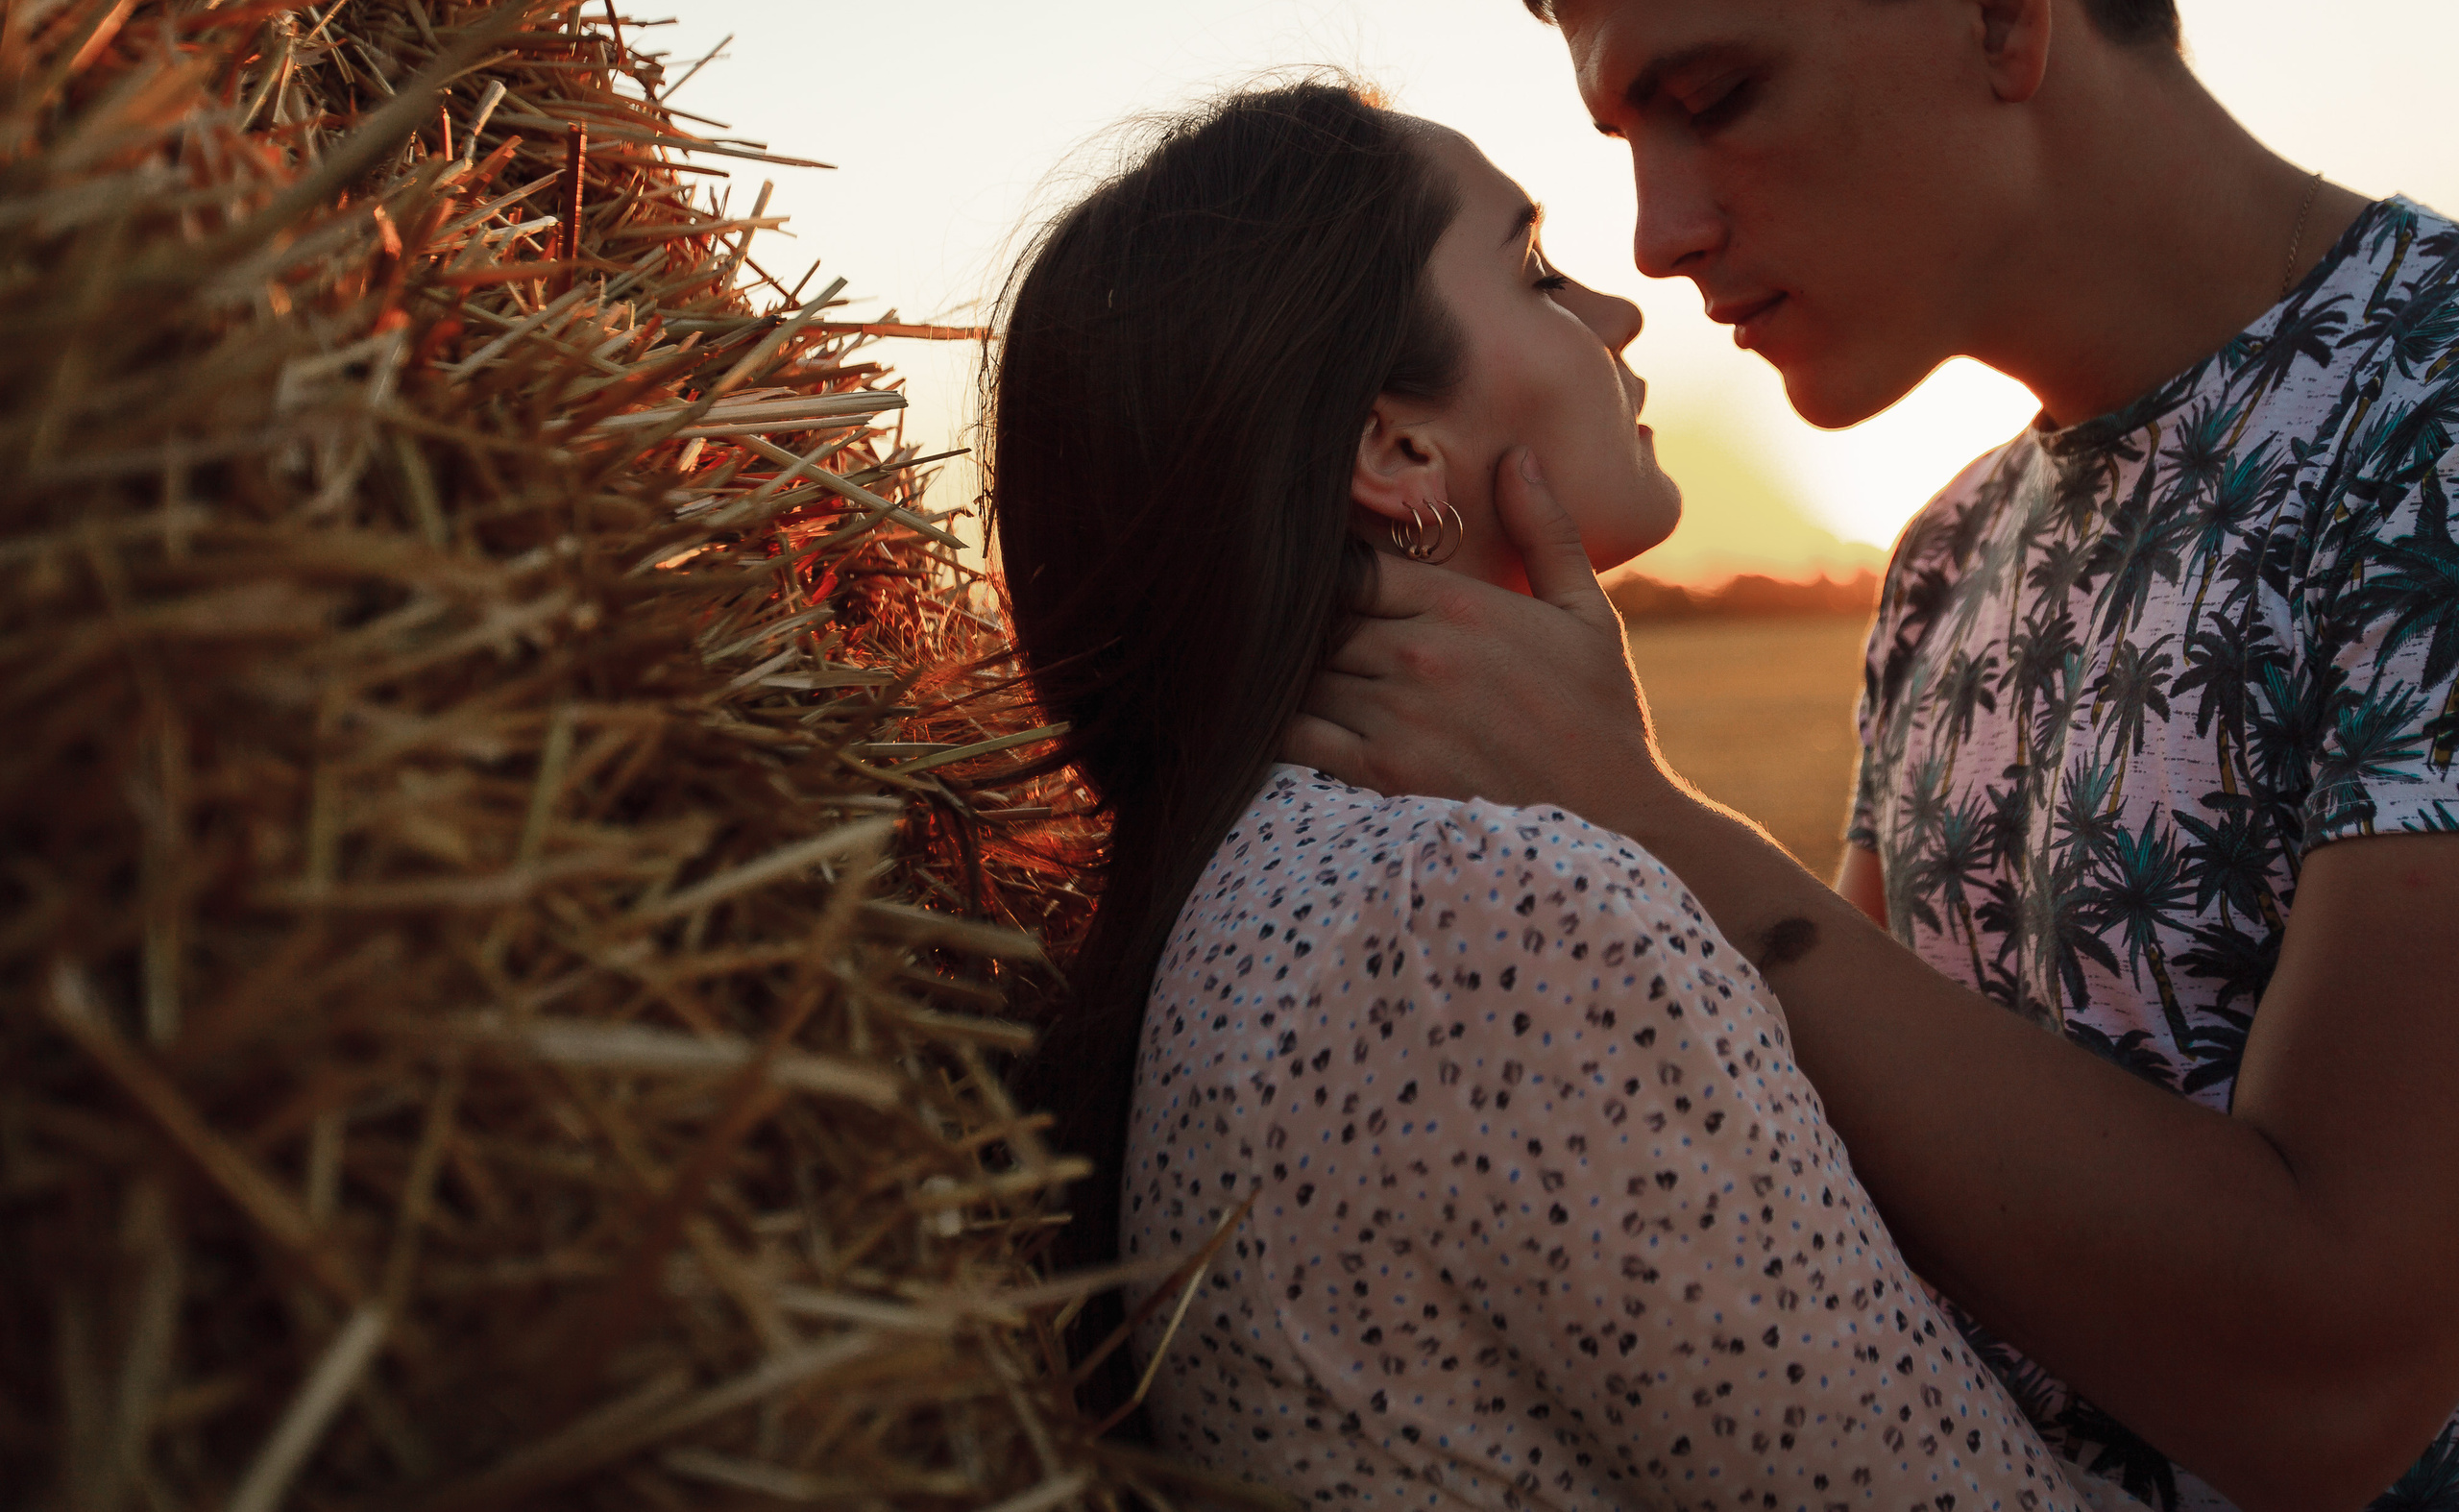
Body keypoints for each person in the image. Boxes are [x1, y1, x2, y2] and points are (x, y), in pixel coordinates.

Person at [1282, 2, 2459, 1509]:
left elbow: (2337, 1379)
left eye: (1714, 94)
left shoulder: (2422, 421)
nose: (1653, 236)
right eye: (1629, 141)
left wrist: (1636, 815)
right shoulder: (1948, 551)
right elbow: (1851, 1167)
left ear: (2001, 20)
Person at [993, 81, 2151, 1510]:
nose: (1623, 310)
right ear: (1393, 450)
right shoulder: (1493, 920)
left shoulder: (1269, 878)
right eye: (1535, 269)